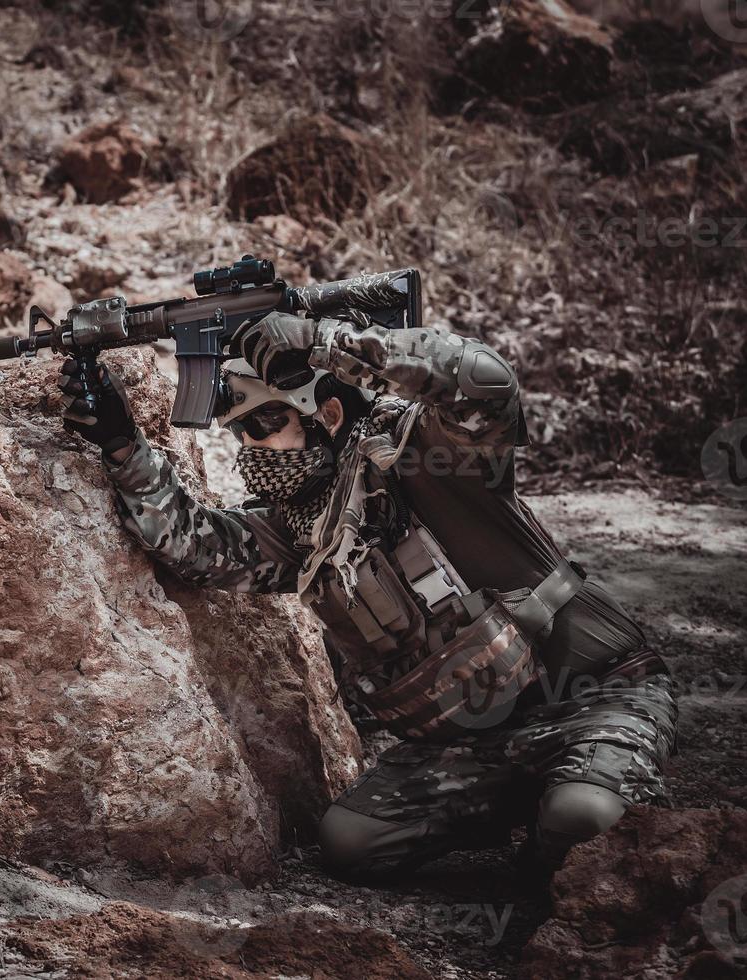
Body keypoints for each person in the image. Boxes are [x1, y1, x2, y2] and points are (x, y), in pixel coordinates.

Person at [59, 308, 677, 880]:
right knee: (351, 841)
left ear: (326, 415)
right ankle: (530, 805)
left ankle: (558, 831)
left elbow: (486, 383)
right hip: (473, 741)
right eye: (240, 432)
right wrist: (120, 443)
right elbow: (194, 548)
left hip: (594, 697)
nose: (251, 448)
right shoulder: (306, 527)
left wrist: (323, 341)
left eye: (266, 423)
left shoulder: (435, 457)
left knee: (584, 817)